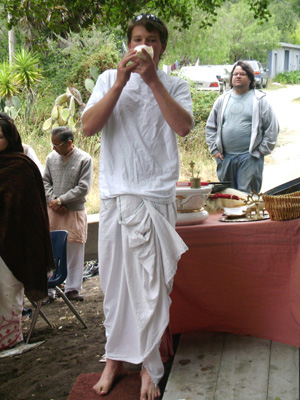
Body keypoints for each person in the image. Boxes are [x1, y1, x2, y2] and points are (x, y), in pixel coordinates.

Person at [82, 13, 194, 400]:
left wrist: (151, 80)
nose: (141, 45)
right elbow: (87, 127)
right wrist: (120, 83)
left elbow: (182, 127)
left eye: (149, 39)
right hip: (117, 197)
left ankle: (149, 365)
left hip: (156, 199)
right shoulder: (105, 81)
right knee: (115, 288)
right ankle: (114, 358)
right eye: (135, 39)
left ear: (161, 46)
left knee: (153, 290)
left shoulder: (176, 84)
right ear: (128, 45)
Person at [0, 113, 54, 351]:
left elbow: (29, 211)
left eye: (0, 136)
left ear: (10, 138)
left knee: (7, 290)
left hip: (15, 239)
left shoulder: (22, 166)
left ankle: (9, 340)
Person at [206, 60, 279, 193]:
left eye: (242, 74)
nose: (238, 76)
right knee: (228, 195)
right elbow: (211, 127)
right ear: (231, 78)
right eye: (235, 74)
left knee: (247, 197)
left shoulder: (260, 100)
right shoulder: (222, 100)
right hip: (225, 158)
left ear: (250, 79)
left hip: (249, 158)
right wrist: (215, 151)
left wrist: (259, 152)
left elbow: (272, 129)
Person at [43, 126, 93, 302]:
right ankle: (50, 290)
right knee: (51, 251)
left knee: (75, 250)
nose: (53, 148)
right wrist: (54, 201)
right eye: (52, 144)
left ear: (69, 143)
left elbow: (84, 187)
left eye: (57, 144)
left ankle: (73, 288)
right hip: (54, 211)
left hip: (74, 211)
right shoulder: (51, 158)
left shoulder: (84, 159)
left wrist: (62, 201)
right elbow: (45, 181)